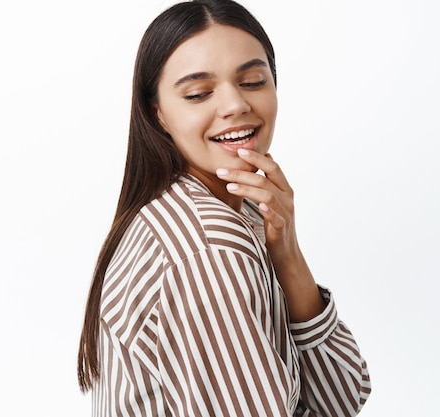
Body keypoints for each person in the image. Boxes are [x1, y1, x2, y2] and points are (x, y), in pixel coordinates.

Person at [77, 0, 371, 415]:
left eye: (252, 81)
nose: (235, 105)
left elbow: (340, 399)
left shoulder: (236, 210)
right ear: (157, 113)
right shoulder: (206, 248)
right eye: (198, 93)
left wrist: (286, 254)